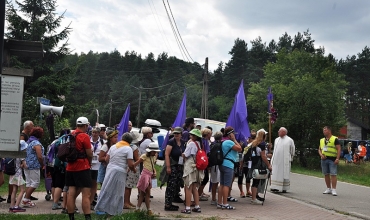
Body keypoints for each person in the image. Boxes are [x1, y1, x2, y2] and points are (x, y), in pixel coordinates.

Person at [94, 132, 136, 217]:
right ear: (130, 141)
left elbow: (106, 159)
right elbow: (130, 164)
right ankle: (114, 211)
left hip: (110, 170)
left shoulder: (113, 147)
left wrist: (112, 165)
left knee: (107, 188)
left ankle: (101, 208)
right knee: (117, 191)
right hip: (120, 172)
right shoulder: (128, 149)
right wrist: (133, 169)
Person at [65, 117, 93, 220]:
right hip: (82, 167)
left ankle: (71, 217)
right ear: (85, 125)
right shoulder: (84, 136)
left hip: (70, 167)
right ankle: (87, 217)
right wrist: (89, 163)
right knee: (86, 194)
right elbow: (89, 153)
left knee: (71, 194)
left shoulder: (70, 135)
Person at [217, 127, 242, 210]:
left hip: (223, 164)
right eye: (233, 134)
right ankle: (225, 203)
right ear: (230, 134)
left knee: (222, 184)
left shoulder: (224, 141)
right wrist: (234, 139)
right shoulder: (229, 142)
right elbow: (239, 149)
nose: (234, 135)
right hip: (228, 165)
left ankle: (219, 203)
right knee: (226, 185)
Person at [181, 129, 204, 214]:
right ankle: (197, 206)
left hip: (190, 166)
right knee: (194, 187)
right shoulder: (199, 144)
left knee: (188, 187)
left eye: (191, 135)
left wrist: (182, 154)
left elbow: (186, 155)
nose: (190, 136)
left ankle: (187, 208)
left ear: (194, 136)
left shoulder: (191, 143)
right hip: (196, 166)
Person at [134, 142, 160, 216]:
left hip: (150, 175)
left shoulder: (154, 157)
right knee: (147, 193)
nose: (155, 153)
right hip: (145, 175)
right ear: (149, 151)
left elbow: (153, 167)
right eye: (154, 151)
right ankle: (148, 209)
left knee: (143, 193)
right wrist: (131, 168)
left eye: (156, 151)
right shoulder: (144, 156)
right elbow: (137, 162)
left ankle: (138, 208)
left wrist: (155, 172)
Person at [164, 127, 186, 211]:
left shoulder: (183, 143)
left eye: (178, 133)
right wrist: (168, 167)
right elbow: (167, 155)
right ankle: (168, 204)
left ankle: (172, 201)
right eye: (175, 133)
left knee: (177, 184)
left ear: (181, 134)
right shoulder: (171, 142)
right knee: (171, 185)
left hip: (180, 166)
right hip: (173, 165)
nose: (176, 135)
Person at [22, 126, 44, 207]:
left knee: (29, 183)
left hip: (26, 165)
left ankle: (26, 201)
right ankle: (26, 200)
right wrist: (42, 164)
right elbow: (40, 156)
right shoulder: (36, 143)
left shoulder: (28, 142)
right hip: (34, 165)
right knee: (35, 183)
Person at [248, 129, 272, 205]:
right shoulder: (262, 144)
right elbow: (263, 156)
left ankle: (254, 197)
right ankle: (254, 199)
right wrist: (268, 165)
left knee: (255, 180)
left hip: (254, 162)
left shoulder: (254, 143)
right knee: (257, 180)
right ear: (263, 136)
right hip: (259, 163)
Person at [270, 127, 296, 193]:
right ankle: (274, 187)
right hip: (276, 160)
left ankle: (284, 188)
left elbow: (292, 149)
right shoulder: (276, 139)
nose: (278, 132)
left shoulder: (289, 140)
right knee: (275, 173)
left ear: (284, 132)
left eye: (280, 131)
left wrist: (291, 157)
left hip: (284, 161)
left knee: (283, 174)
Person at [318, 126, 341, 196]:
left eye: (325, 130)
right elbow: (319, 149)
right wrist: (321, 155)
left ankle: (334, 189)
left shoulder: (335, 139)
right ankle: (328, 188)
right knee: (326, 174)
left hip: (332, 159)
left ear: (329, 131)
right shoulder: (322, 140)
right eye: (323, 130)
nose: (323, 131)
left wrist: (337, 158)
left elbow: (339, 149)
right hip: (324, 159)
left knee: (333, 174)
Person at [123, 131, 141, 209]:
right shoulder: (134, 147)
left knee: (128, 186)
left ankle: (127, 201)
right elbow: (137, 158)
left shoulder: (127, 146)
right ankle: (126, 202)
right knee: (128, 186)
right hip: (132, 168)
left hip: (127, 166)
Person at [9, 143, 28, 212]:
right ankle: (16, 206)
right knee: (22, 190)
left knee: (14, 190)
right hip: (18, 174)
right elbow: (25, 165)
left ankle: (11, 206)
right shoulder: (21, 154)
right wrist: (24, 165)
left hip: (13, 174)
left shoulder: (13, 154)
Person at [89, 126, 105, 210]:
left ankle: (91, 201)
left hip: (98, 165)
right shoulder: (88, 140)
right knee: (88, 184)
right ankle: (88, 201)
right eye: (93, 132)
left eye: (96, 132)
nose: (94, 134)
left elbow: (106, 152)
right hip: (89, 165)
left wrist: (101, 155)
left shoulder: (102, 142)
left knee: (94, 183)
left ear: (99, 133)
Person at [198, 128, 212, 201]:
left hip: (202, 160)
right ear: (207, 134)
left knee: (203, 178)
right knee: (205, 178)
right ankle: (199, 194)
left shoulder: (202, 140)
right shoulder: (205, 141)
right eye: (210, 134)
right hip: (204, 161)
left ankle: (200, 192)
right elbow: (207, 152)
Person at [210, 131, 223, 205]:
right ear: (221, 137)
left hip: (213, 165)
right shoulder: (221, 145)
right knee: (221, 183)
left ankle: (213, 199)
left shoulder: (212, 144)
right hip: (219, 165)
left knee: (214, 183)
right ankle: (220, 200)